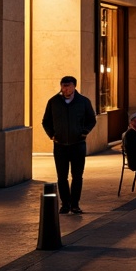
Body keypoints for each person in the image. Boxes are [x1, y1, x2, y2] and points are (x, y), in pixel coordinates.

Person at [41, 75, 96, 215]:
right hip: (60, 145)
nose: (65, 89)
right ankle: (65, 204)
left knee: (77, 176)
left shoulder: (83, 101)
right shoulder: (53, 102)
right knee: (62, 176)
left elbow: (91, 119)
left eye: (68, 86)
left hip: (78, 144)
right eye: (63, 86)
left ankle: (75, 204)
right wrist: (52, 134)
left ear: (74, 86)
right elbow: (46, 121)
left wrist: (84, 132)